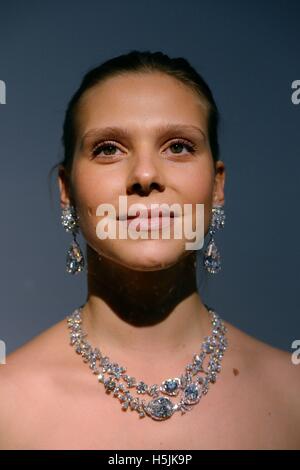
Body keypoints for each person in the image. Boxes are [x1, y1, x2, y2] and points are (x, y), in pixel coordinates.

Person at [0, 50, 299, 450]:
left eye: (178, 146)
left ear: (217, 186)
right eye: (108, 148)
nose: (145, 175)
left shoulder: (292, 395)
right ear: (67, 192)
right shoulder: (8, 406)